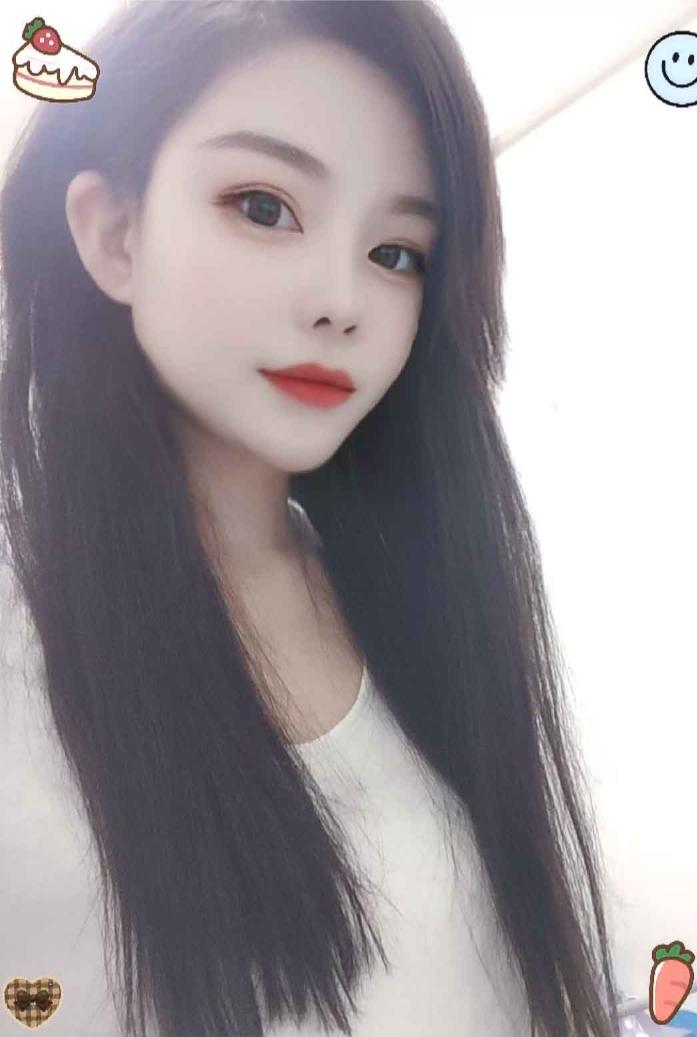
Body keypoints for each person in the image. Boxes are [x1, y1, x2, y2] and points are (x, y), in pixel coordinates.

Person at [0, 3, 622, 1036]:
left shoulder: (420, 590)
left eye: (398, 252)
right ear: (113, 232)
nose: (343, 299)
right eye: (264, 205)